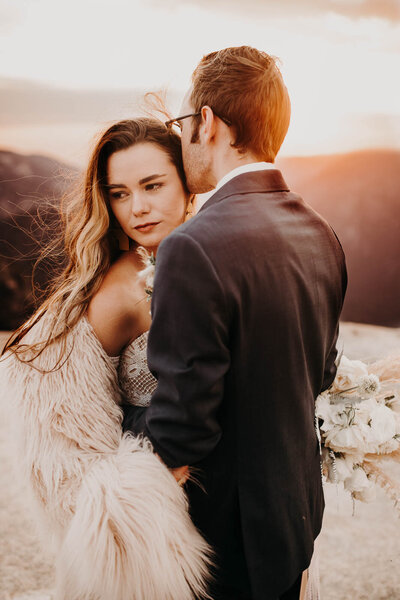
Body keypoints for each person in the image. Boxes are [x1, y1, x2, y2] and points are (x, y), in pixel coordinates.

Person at [122, 46, 347, 600]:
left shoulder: (192, 246)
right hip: (293, 524)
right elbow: (320, 374)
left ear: (207, 123)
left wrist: (113, 429)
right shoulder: (322, 233)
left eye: (181, 125)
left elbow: (182, 431)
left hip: (221, 543)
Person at [0, 118, 212, 600]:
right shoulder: (128, 284)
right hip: (160, 501)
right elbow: (56, 413)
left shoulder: (198, 259)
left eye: (152, 186)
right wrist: (140, 494)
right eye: (119, 193)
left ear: (187, 184)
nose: (137, 208)